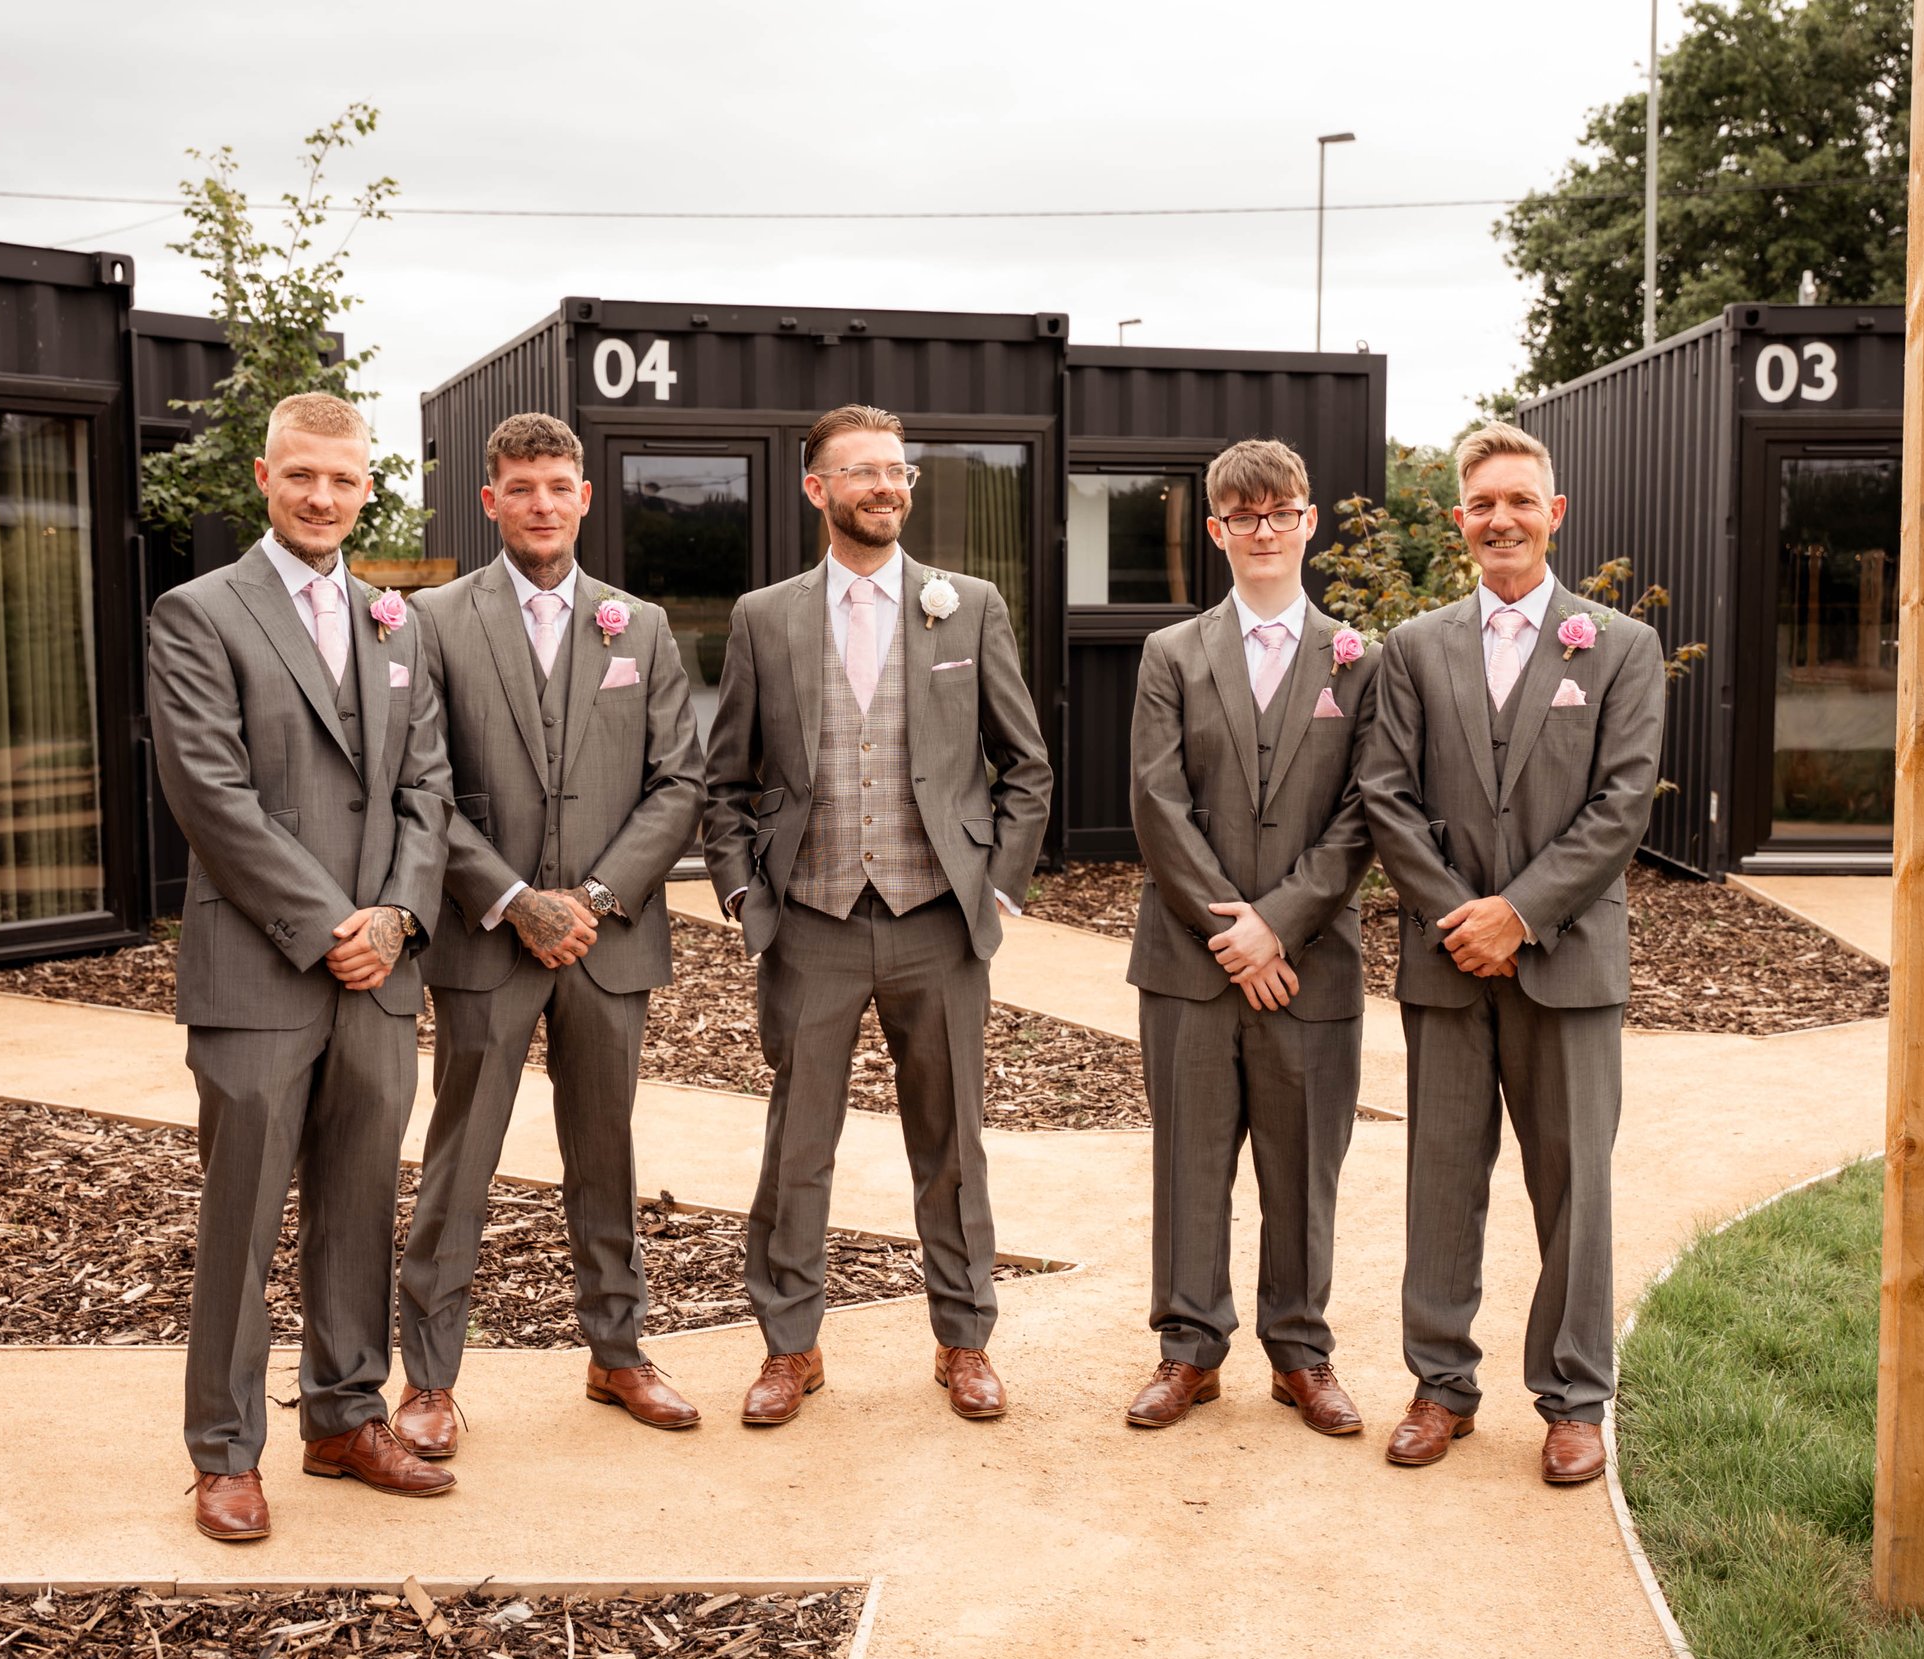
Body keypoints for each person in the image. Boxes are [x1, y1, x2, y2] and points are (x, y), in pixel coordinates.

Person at [702, 403, 1052, 1424]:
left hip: (939, 919)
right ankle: (789, 1345)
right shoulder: (764, 616)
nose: (884, 486)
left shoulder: (968, 606)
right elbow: (724, 779)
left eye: (895, 471)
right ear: (817, 489)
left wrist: (995, 885)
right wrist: (742, 893)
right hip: (808, 920)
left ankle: (963, 1337)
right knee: (797, 1144)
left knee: (951, 1139)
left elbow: (1024, 765)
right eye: (860, 472)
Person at [148, 391, 456, 1541]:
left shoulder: (397, 621)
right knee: (242, 1214)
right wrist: (332, 922)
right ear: (265, 481)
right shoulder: (199, 613)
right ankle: (224, 1450)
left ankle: (342, 1412)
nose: (322, 495)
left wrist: (400, 919)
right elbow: (210, 798)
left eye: (342, 478)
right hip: (261, 968)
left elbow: (428, 787)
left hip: (382, 972)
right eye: (301, 476)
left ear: (367, 486)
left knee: (359, 1201)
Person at [392, 413, 708, 1457]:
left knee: (605, 1151)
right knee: (461, 1154)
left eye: (557, 485)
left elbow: (678, 781)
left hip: (608, 941)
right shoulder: (433, 619)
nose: (540, 502)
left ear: (583, 497)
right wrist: (514, 895)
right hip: (486, 936)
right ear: (490, 501)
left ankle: (617, 1352)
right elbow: (420, 783)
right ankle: (430, 1378)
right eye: (520, 486)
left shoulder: (640, 623)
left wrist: (599, 897)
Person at [1356, 421, 1665, 1485]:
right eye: (1482, 502)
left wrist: (1520, 913)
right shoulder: (1412, 648)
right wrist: (1463, 919)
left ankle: (1575, 1395)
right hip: (1448, 962)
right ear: (1458, 520)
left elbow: (1620, 804)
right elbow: (1385, 796)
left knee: (1574, 1183)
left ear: (1555, 514)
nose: (1501, 519)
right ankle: (1440, 1383)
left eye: (1519, 500)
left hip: (1570, 963)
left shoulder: (1618, 647)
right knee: (1441, 1179)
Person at [1122, 439, 1380, 1435]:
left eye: (1280, 512)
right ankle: (1188, 1348)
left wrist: (1279, 925)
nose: (1263, 529)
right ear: (1216, 529)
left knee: (1302, 1164)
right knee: (1190, 1161)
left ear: (1309, 521)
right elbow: (1155, 798)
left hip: (1310, 961)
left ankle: (1300, 1350)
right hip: (1189, 962)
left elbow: (1365, 810)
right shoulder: (1171, 654)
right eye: (1244, 514)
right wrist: (1233, 928)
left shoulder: (1363, 658)